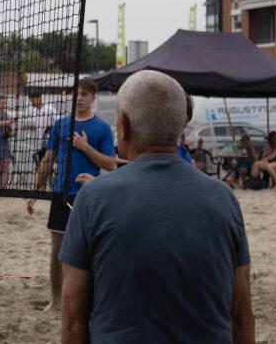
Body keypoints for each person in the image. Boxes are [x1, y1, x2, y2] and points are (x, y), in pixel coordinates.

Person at [59, 70, 254, 343]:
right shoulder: (224, 198)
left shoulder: (91, 199)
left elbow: (73, 319)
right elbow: (242, 319)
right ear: (181, 125)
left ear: (124, 127)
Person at [26, 78, 116, 312]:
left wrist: (86, 147)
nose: (80, 98)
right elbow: (48, 159)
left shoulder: (102, 128)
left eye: (85, 94)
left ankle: (89, 300)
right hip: (60, 194)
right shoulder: (61, 124)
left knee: (89, 250)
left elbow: (110, 164)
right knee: (57, 249)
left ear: (93, 97)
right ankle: (56, 301)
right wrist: (35, 190)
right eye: (77, 93)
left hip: (88, 196)